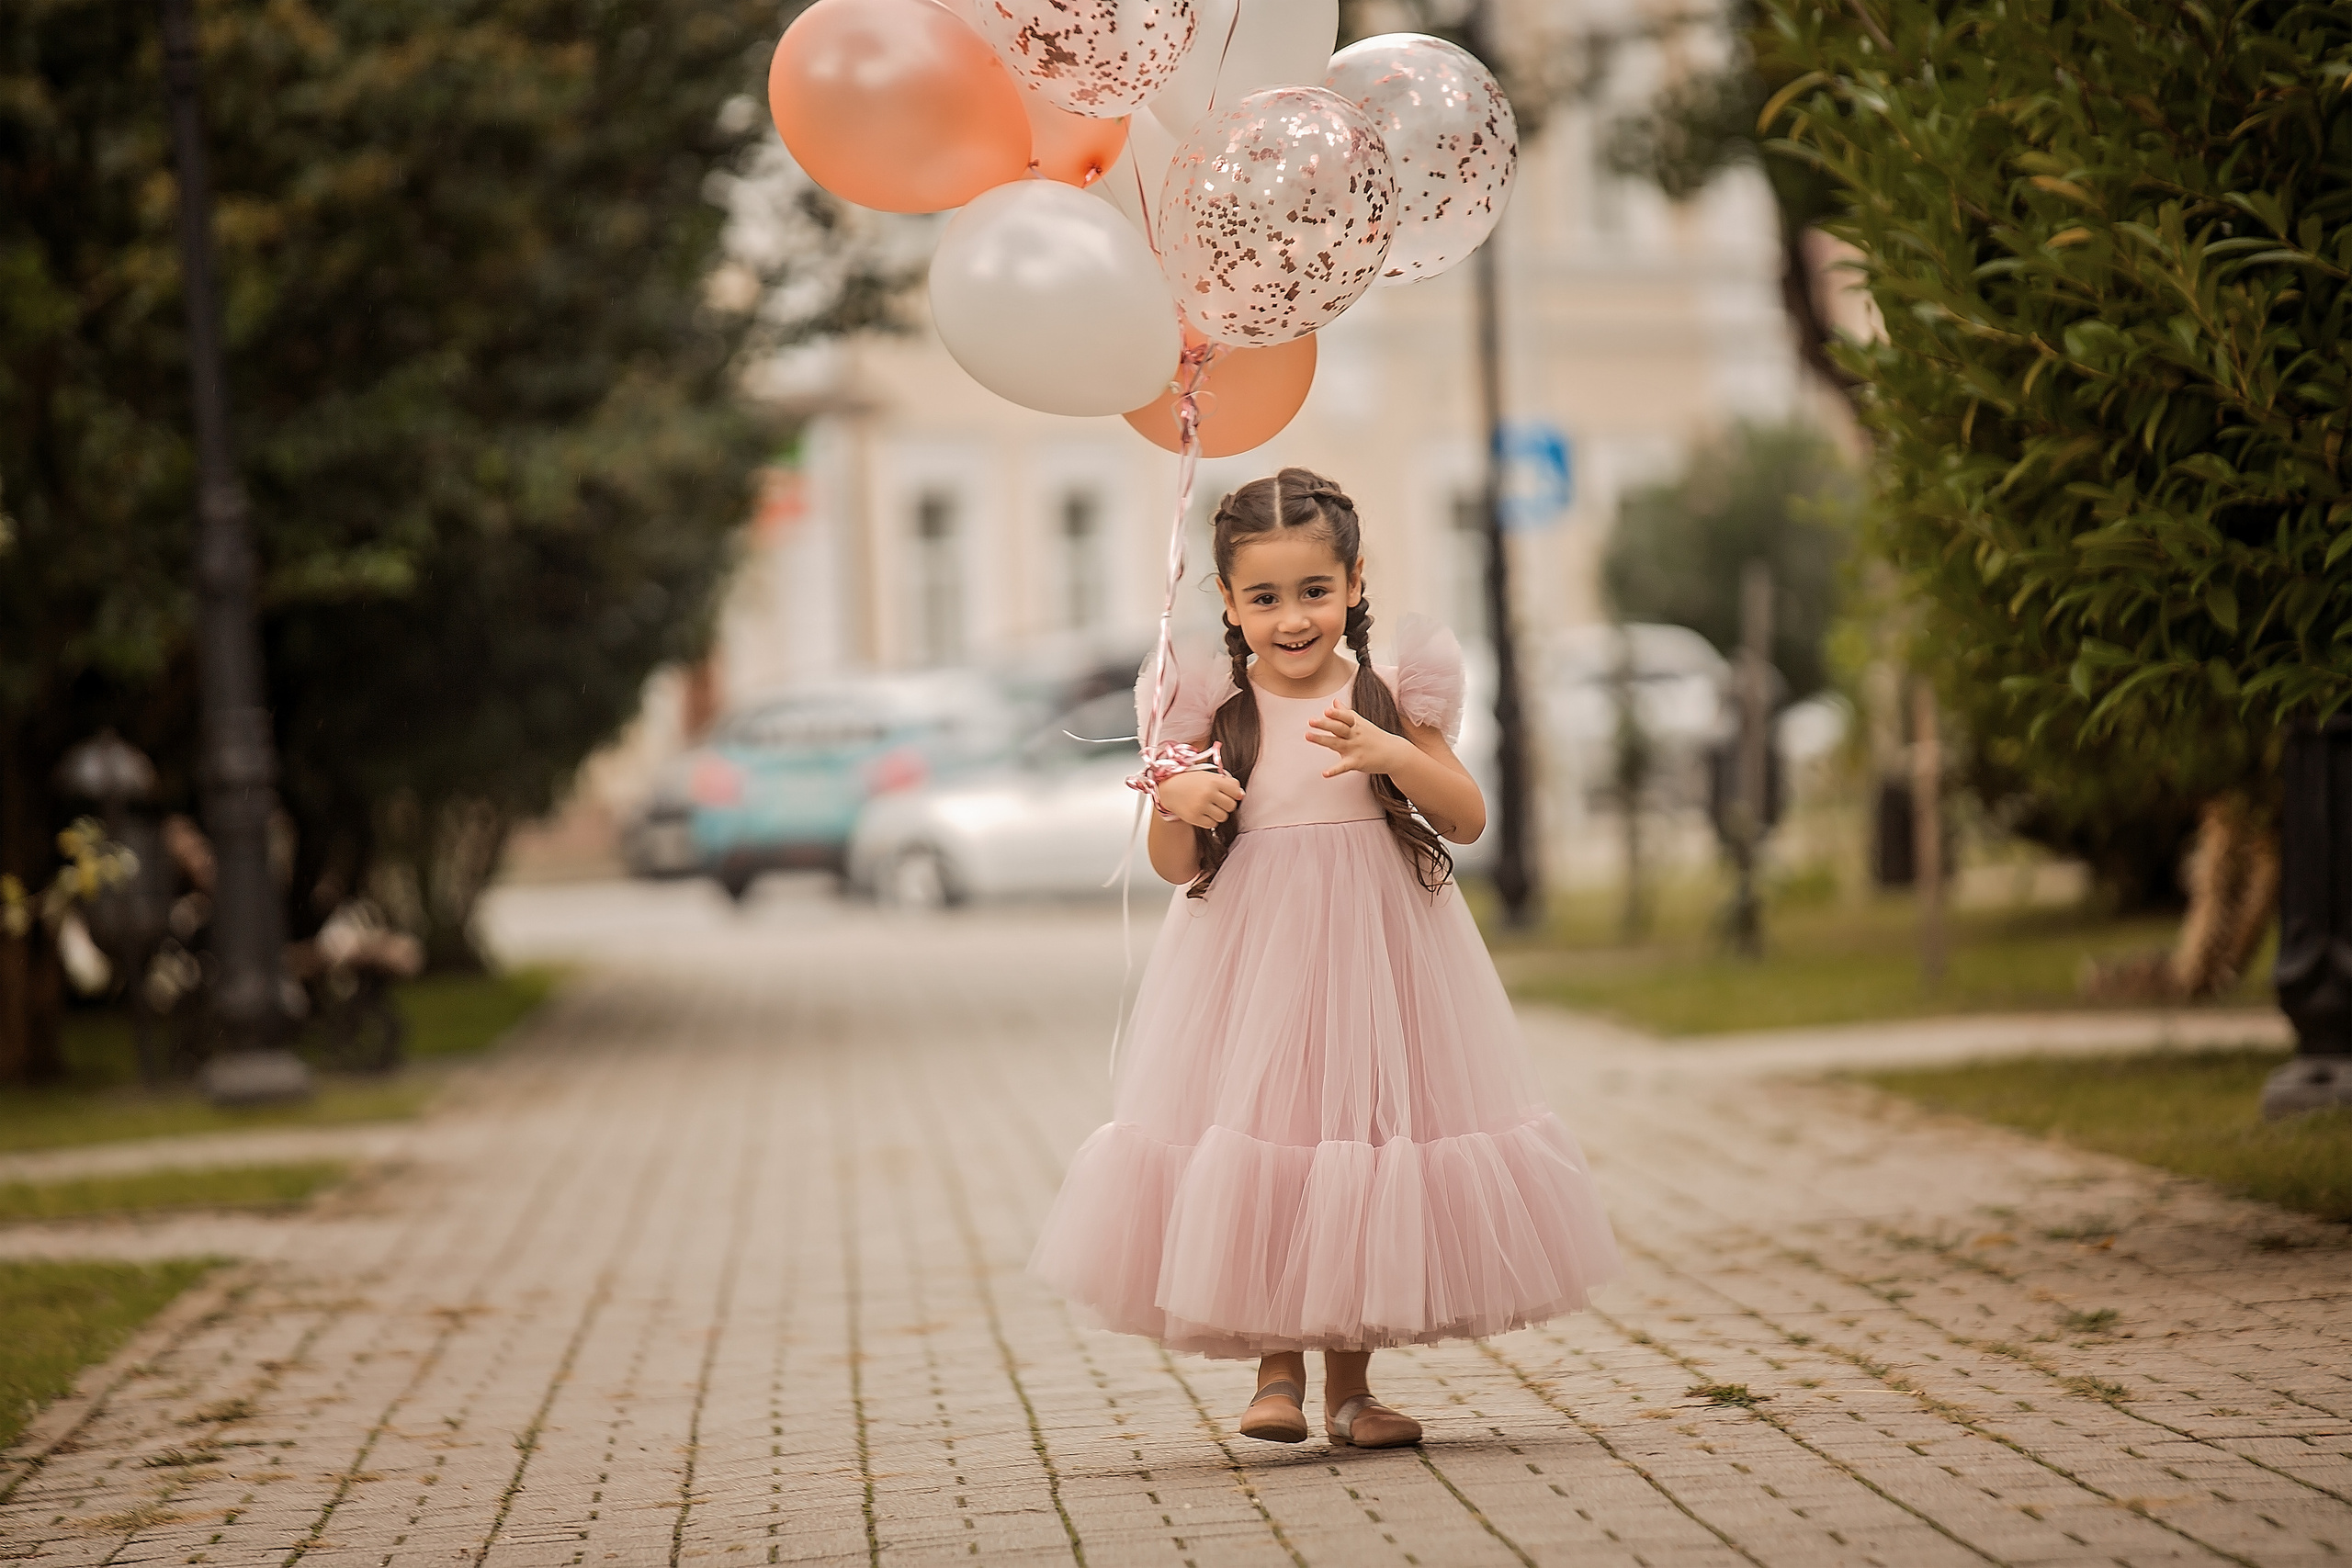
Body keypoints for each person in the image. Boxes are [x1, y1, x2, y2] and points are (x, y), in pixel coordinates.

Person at [1031, 468, 1620, 1450]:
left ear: (1352, 584)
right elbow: (1177, 866)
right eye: (1264, 598)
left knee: (1362, 1140)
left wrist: (1397, 757)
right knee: (1263, 1138)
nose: (1291, 618)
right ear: (1227, 603)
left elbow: (1467, 820)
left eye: (1313, 591)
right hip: (1249, 964)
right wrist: (1177, 805)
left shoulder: (1388, 694)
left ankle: (1350, 1388)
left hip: (1379, 959)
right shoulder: (1216, 715)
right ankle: (1274, 1372)